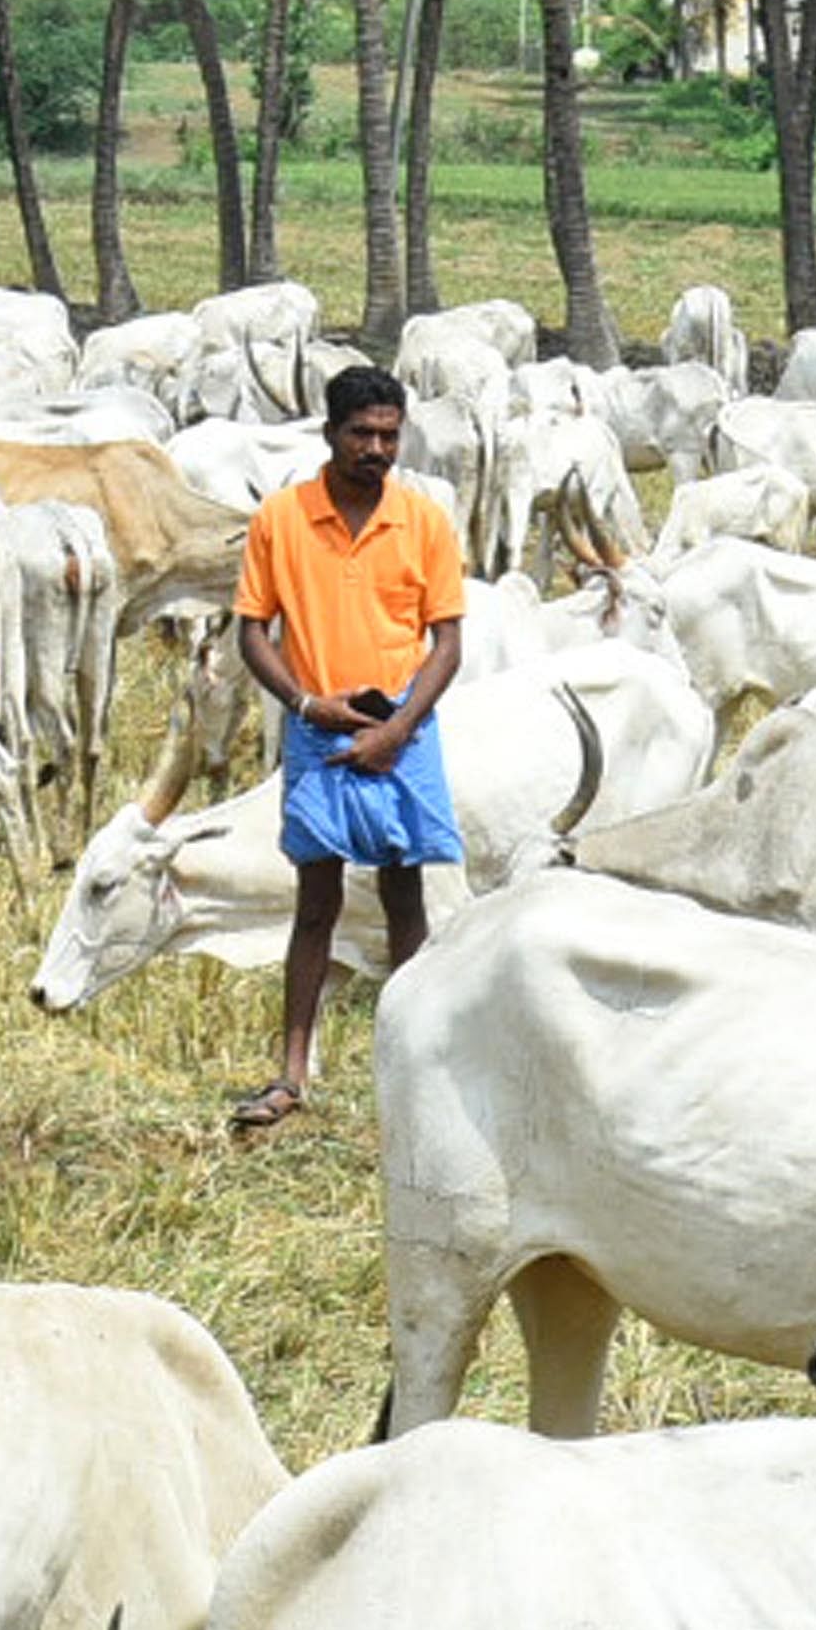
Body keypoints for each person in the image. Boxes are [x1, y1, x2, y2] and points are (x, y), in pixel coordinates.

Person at [226, 365, 467, 1137]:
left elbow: (448, 642)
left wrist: (397, 730)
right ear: (329, 433)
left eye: (389, 435)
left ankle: (415, 1069)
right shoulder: (283, 520)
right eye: (361, 433)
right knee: (316, 903)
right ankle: (292, 1074)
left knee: (407, 899)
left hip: (403, 727)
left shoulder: (423, 521)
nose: (375, 448)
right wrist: (306, 703)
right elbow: (253, 632)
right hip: (319, 725)